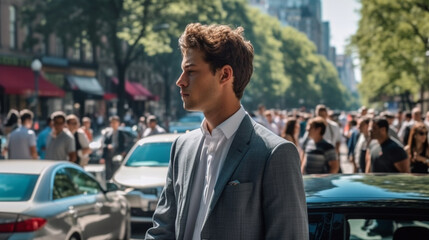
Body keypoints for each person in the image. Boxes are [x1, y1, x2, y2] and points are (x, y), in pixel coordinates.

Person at [145, 23, 308, 240]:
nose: (180, 81)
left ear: (224, 75)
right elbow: (162, 231)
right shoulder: (181, 148)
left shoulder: (275, 154)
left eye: (191, 71)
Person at [100, 116, 128, 180]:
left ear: (118, 123)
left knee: (116, 172)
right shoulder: (108, 134)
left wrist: (123, 152)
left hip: (118, 155)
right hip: (109, 156)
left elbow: (125, 145)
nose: (113, 124)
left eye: (115, 122)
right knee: (108, 173)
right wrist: (107, 148)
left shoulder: (121, 134)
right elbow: (104, 145)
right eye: (112, 122)